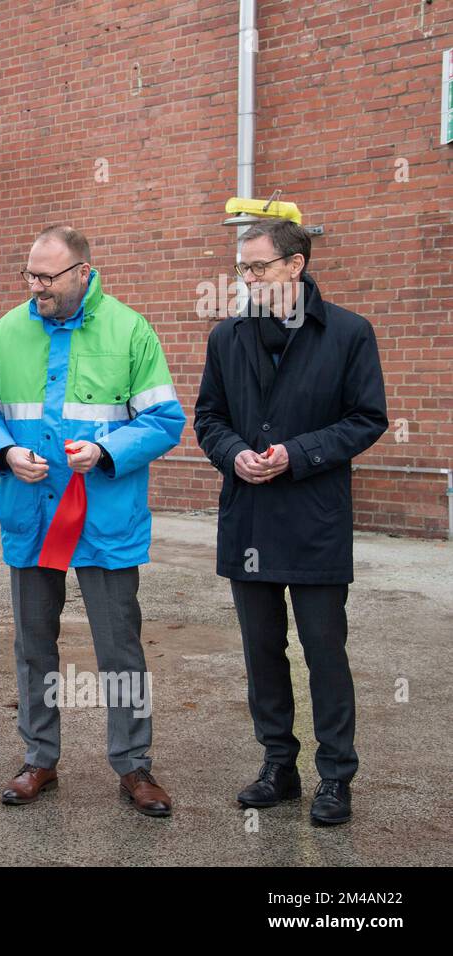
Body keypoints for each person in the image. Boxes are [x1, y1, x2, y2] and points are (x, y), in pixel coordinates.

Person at [0, 225, 184, 817]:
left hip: (105, 519)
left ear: (84, 271)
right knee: (34, 646)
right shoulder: (7, 332)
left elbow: (164, 420)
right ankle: (39, 759)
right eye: (29, 276)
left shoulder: (130, 331)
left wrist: (107, 453)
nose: (36, 288)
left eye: (47, 278)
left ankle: (134, 766)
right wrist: (4, 453)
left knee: (120, 649)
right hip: (32, 516)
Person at [194, 217, 387, 826]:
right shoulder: (227, 338)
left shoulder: (350, 333)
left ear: (295, 266)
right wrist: (234, 454)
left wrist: (297, 455)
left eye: (257, 267)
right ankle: (278, 764)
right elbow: (208, 418)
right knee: (262, 650)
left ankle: (336, 776)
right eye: (242, 269)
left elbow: (366, 418)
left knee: (324, 650)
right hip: (249, 517)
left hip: (315, 520)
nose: (246, 279)